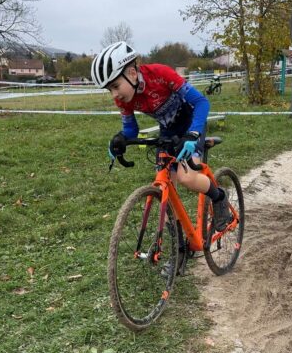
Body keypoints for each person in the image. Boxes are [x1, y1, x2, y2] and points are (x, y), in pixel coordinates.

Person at [92, 41, 232, 232]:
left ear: (132, 73)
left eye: (115, 86)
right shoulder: (123, 98)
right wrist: (120, 138)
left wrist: (193, 133)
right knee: (164, 190)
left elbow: (201, 102)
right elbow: (131, 129)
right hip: (167, 132)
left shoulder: (160, 74)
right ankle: (178, 249)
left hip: (192, 123)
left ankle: (219, 198)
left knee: (187, 178)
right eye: (109, 89)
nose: (114, 94)